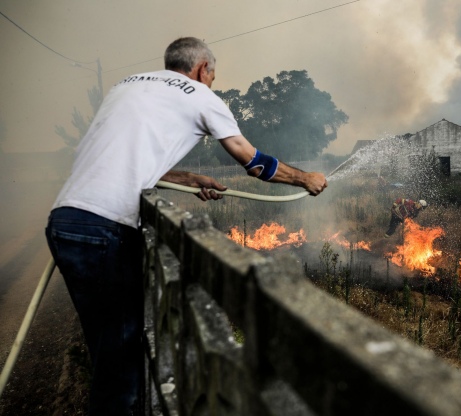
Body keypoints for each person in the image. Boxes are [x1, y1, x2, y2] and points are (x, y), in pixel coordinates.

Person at [45, 37, 327, 416]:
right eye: (212, 74)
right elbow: (254, 161)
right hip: (104, 227)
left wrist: (189, 178)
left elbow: (121, 160)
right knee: (121, 365)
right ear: (201, 70)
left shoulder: (126, 86)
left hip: (65, 218)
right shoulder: (200, 95)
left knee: (107, 351)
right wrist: (305, 178)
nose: (211, 81)